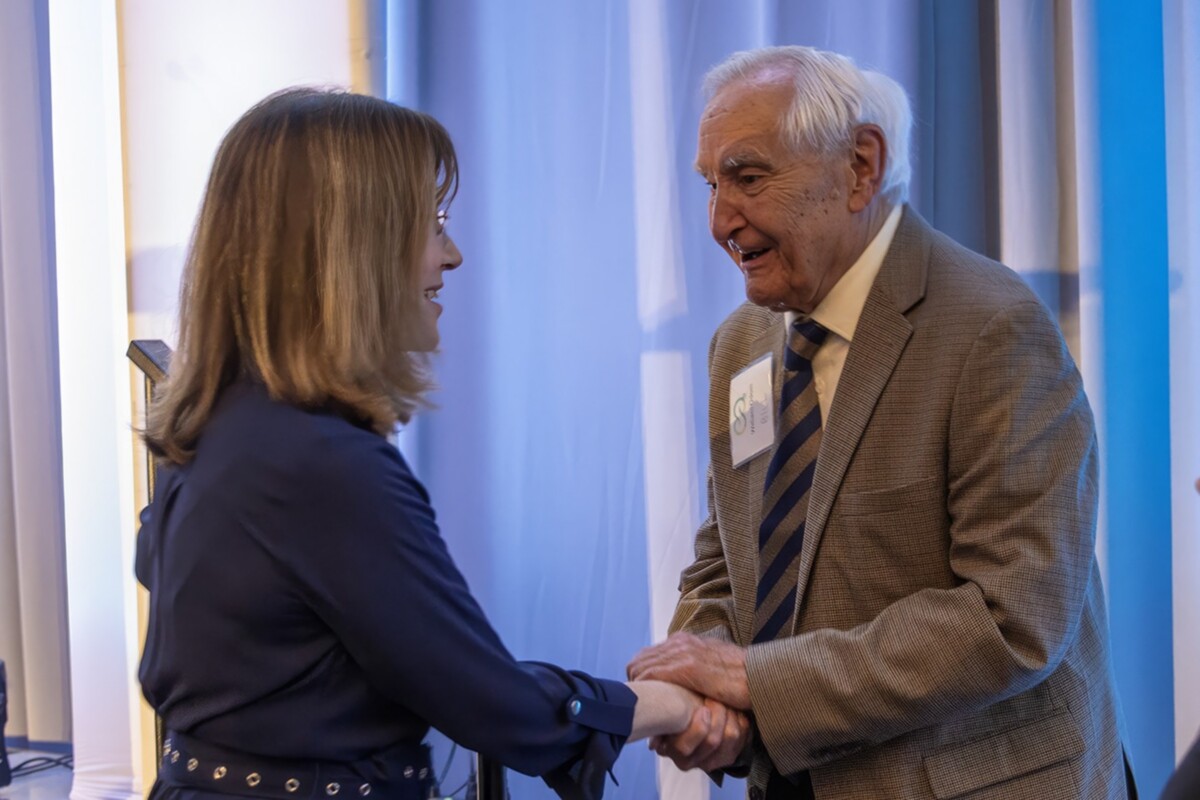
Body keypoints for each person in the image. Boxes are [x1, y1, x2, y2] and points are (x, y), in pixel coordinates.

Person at [136, 88, 733, 800]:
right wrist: (669, 703)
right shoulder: (322, 467)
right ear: (352, 246)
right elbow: (496, 705)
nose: (452, 255)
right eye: (431, 223)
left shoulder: (216, 430)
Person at [627, 46, 1132, 799]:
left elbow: (1012, 617)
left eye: (748, 177)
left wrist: (755, 681)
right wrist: (702, 678)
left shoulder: (993, 328)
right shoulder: (740, 344)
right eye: (710, 184)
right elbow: (726, 558)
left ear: (861, 166)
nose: (720, 220)